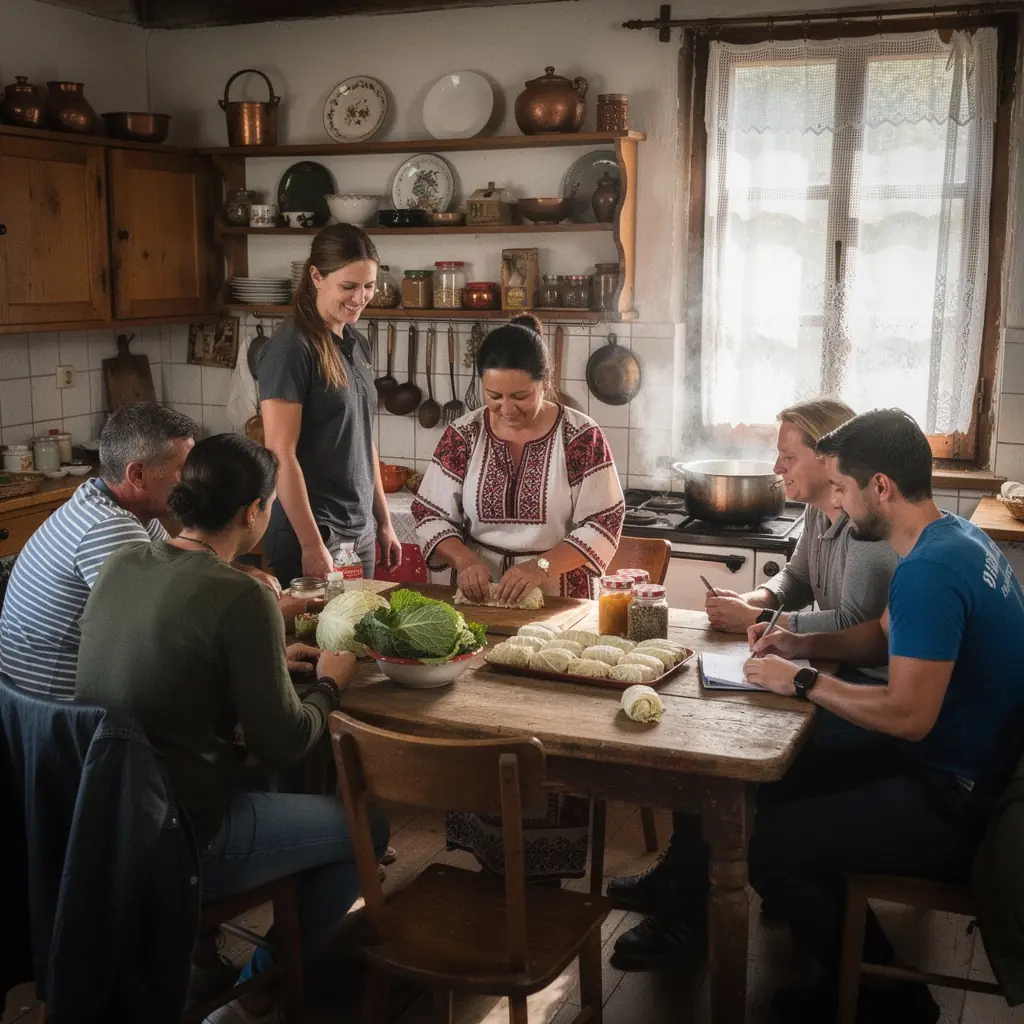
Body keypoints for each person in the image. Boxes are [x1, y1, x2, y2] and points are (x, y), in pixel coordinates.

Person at [615, 409, 1024, 1023]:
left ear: (880, 487)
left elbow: (908, 715)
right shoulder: (957, 538)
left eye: (841, 488)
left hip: (961, 798)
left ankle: (895, 1002)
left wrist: (802, 682)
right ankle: (769, 934)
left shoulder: (926, 573)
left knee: (769, 845)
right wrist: (797, 644)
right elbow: (883, 640)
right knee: (770, 787)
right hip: (973, 762)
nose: (834, 501)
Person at [76, 433, 389, 1024]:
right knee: (366, 825)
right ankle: (255, 992)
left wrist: (269, 661)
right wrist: (331, 681)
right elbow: (285, 740)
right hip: (182, 834)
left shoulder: (122, 563)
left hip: (101, 818)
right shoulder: (240, 595)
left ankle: (247, 953)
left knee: (290, 794)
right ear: (253, 513)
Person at [412, 314, 625, 878]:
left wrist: (542, 565)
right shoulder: (461, 434)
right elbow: (429, 511)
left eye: (521, 396)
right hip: (477, 602)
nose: (505, 409)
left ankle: (548, 865)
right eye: (493, 395)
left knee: (546, 727)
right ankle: (485, 856)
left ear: (546, 381)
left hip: (561, 600)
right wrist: (461, 559)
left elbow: (605, 520)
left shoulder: (582, 437)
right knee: (477, 720)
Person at [0, 404, 196, 700]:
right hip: (57, 714)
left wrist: (243, 577)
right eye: (184, 471)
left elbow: (180, 569)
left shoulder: (111, 501)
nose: (192, 482)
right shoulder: (109, 526)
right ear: (138, 475)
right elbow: (162, 631)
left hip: (44, 703)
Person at [258, 223, 401, 586]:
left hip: (359, 530)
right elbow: (280, 453)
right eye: (348, 286)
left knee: (353, 638)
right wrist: (310, 544)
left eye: (369, 286)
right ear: (316, 276)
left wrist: (382, 521)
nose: (361, 297)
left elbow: (362, 438)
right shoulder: (292, 349)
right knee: (315, 641)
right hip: (314, 531)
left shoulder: (355, 342)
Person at [705, 398, 897, 636]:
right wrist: (750, 602)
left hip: (865, 673)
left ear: (827, 457)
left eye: (789, 457)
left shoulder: (867, 522)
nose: (777, 467)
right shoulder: (816, 510)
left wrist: (755, 618)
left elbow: (853, 624)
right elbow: (799, 579)